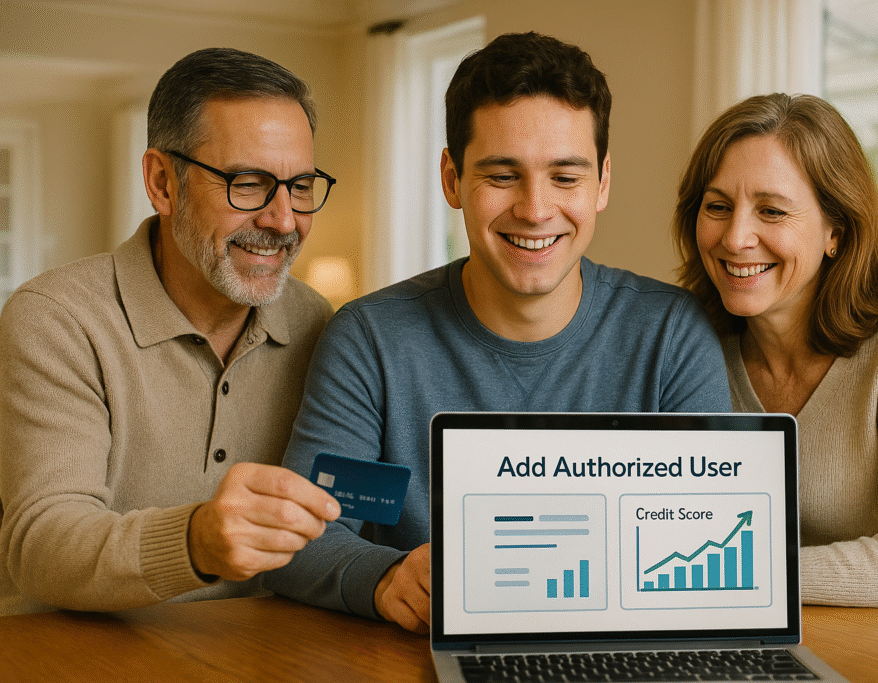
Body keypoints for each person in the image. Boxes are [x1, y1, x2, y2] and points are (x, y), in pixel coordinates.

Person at [263, 32, 731, 634]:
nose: (535, 209)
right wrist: (385, 578)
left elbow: (704, 545)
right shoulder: (370, 340)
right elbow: (303, 536)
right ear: (452, 179)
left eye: (566, 177)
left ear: (603, 182)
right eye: (503, 175)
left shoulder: (672, 335)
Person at [0, 47, 342, 616]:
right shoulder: (56, 318)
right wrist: (195, 541)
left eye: (301, 186)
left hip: (259, 647)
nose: (284, 220)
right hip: (71, 649)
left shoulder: (316, 322)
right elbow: (41, 544)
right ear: (162, 182)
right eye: (248, 183)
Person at [673, 92, 878, 633]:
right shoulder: (691, 344)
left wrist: (732, 574)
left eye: (772, 211)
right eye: (717, 206)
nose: (735, 237)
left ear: (837, 230)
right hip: (797, 637)